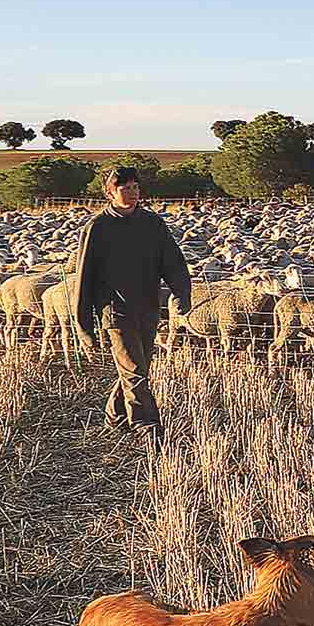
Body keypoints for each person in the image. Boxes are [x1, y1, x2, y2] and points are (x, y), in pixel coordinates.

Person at [73, 166, 193, 442]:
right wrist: (84, 326)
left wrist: (181, 292)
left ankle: (114, 417)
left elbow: (172, 261)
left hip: (148, 308)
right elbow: (85, 276)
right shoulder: (98, 227)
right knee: (135, 371)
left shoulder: (152, 224)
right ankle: (146, 425)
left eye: (135, 187)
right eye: (124, 188)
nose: (132, 193)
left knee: (136, 369)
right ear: (110, 192)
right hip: (115, 310)